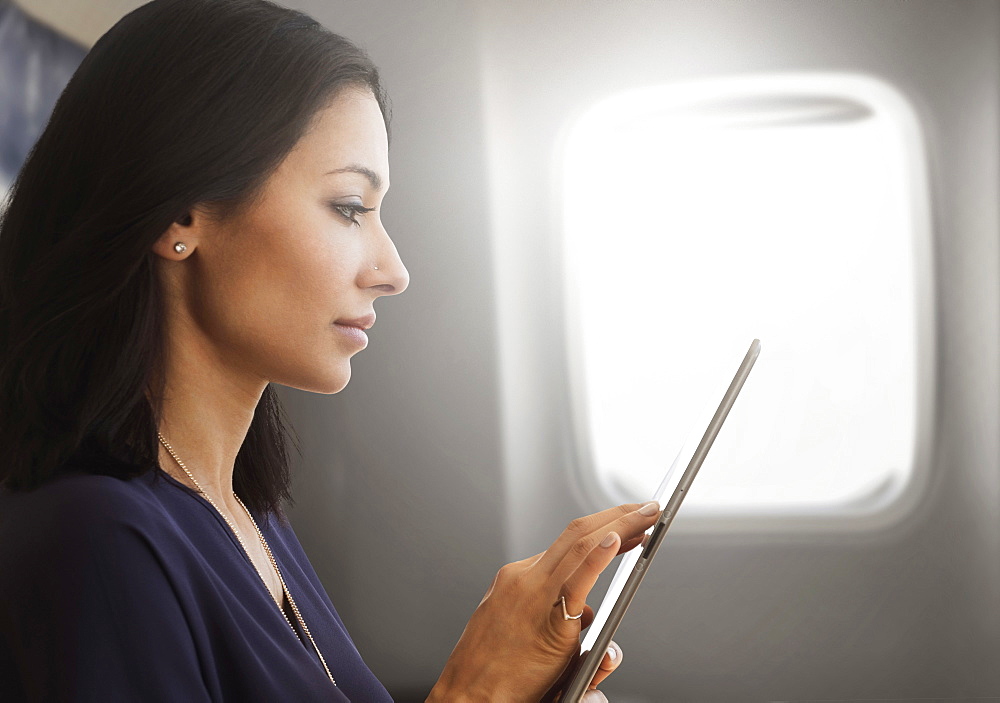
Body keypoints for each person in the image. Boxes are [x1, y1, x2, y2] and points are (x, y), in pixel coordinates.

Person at [0, 1, 660, 700]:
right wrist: (471, 694)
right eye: (349, 207)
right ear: (180, 214)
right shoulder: (97, 540)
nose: (393, 269)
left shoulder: (250, 516)